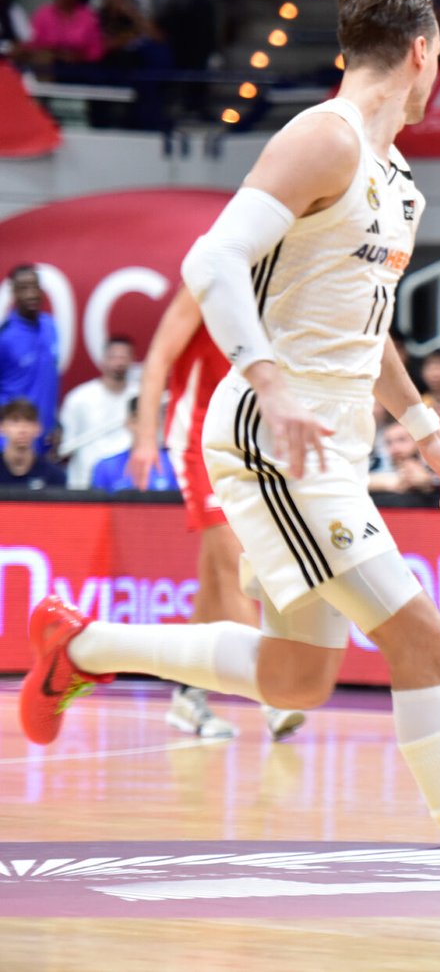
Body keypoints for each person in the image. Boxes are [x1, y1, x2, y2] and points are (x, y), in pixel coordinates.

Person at [15, 0, 440, 954]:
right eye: (438, 56)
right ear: (424, 53)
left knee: (295, 676)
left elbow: (361, 329)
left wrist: (422, 427)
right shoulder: (323, 136)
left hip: (326, 437)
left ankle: (76, 647)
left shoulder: (398, 179)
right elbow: (209, 262)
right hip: (274, 434)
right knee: (421, 638)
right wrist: (273, 381)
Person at [127, 287, 307, 741]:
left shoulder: (275, 285)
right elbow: (157, 359)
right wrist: (145, 437)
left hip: (245, 443)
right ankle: (271, 693)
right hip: (196, 442)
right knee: (233, 568)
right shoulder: (205, 282)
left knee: (213, 583)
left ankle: (187, 698)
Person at [58, 334, 137, 489]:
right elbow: (66, 448)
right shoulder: (78, 398)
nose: (119, 362)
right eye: (114, 357)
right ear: (103, 360)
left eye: (124, 357)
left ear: (132, 361)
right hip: (84, 484)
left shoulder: (142, 397)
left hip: (128, 484)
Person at [0, 266, 61, 450]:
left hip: (45, 440)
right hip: (11, 444)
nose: (32, 294)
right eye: (24, 288)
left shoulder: (50, 326)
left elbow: (50, 379)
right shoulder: (5, 337)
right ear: (14, 293)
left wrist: (55, 422)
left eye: (35, 286)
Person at [0, 398, 66, 488]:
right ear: (2, 427)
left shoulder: (54, 476)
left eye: (29, 421)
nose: (22, 429)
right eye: (15, 421)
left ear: (38, 428)